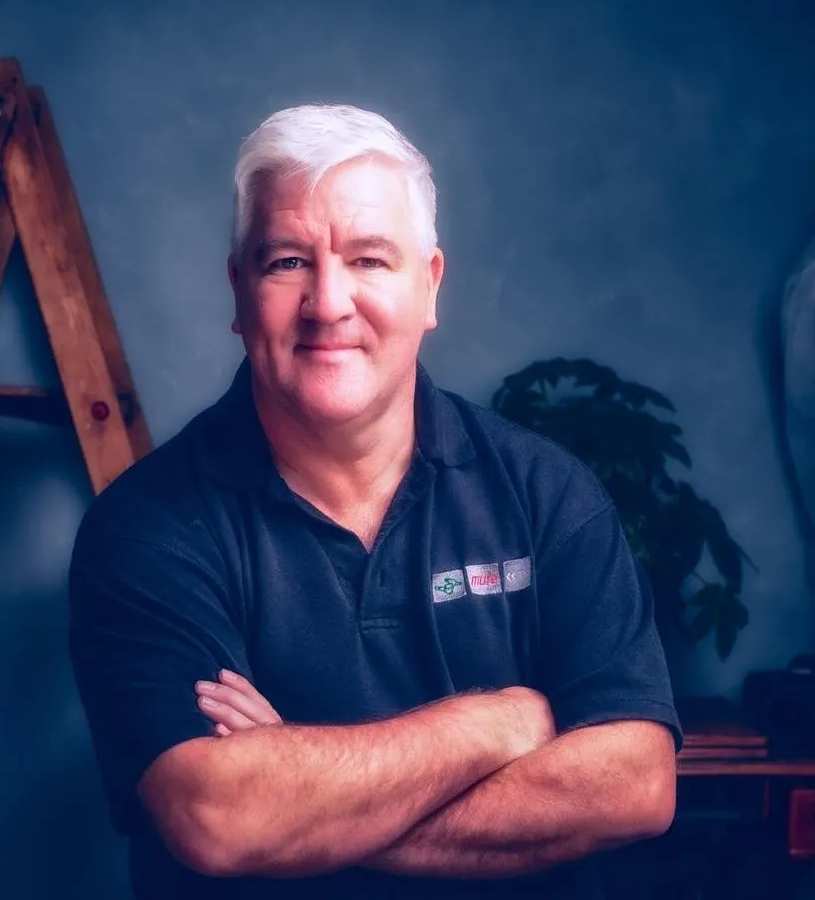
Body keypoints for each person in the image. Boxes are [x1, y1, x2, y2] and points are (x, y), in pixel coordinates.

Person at [68, 104, 682, 900]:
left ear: (429, 286)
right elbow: (218, 816)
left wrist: (301, 797)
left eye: (368, 260)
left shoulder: (548, 496)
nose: (328, 303)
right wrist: (493, 723)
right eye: (288, 261)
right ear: (238, 290)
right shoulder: (147, 529)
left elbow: (634, 785)